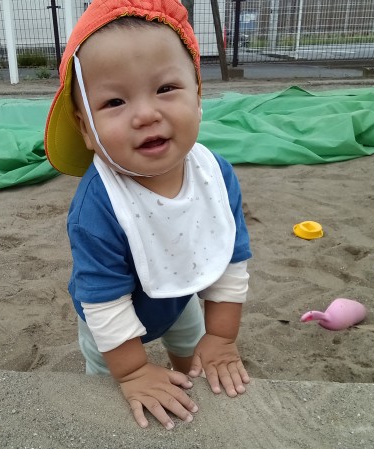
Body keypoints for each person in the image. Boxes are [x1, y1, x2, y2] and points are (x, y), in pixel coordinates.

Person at [44, 0, 252, 430]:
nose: (145, 114)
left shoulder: (214, 175)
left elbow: (230, 259)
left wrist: (221, 338)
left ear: (198, 94)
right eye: (115, 101)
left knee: (193, 349)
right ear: (85, 128)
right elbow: (103, 302)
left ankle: (187, 373)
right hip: (112, 317)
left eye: (166, 88)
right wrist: (134, 372)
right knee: (109, 383)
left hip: (179, 297)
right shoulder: (98, 206)